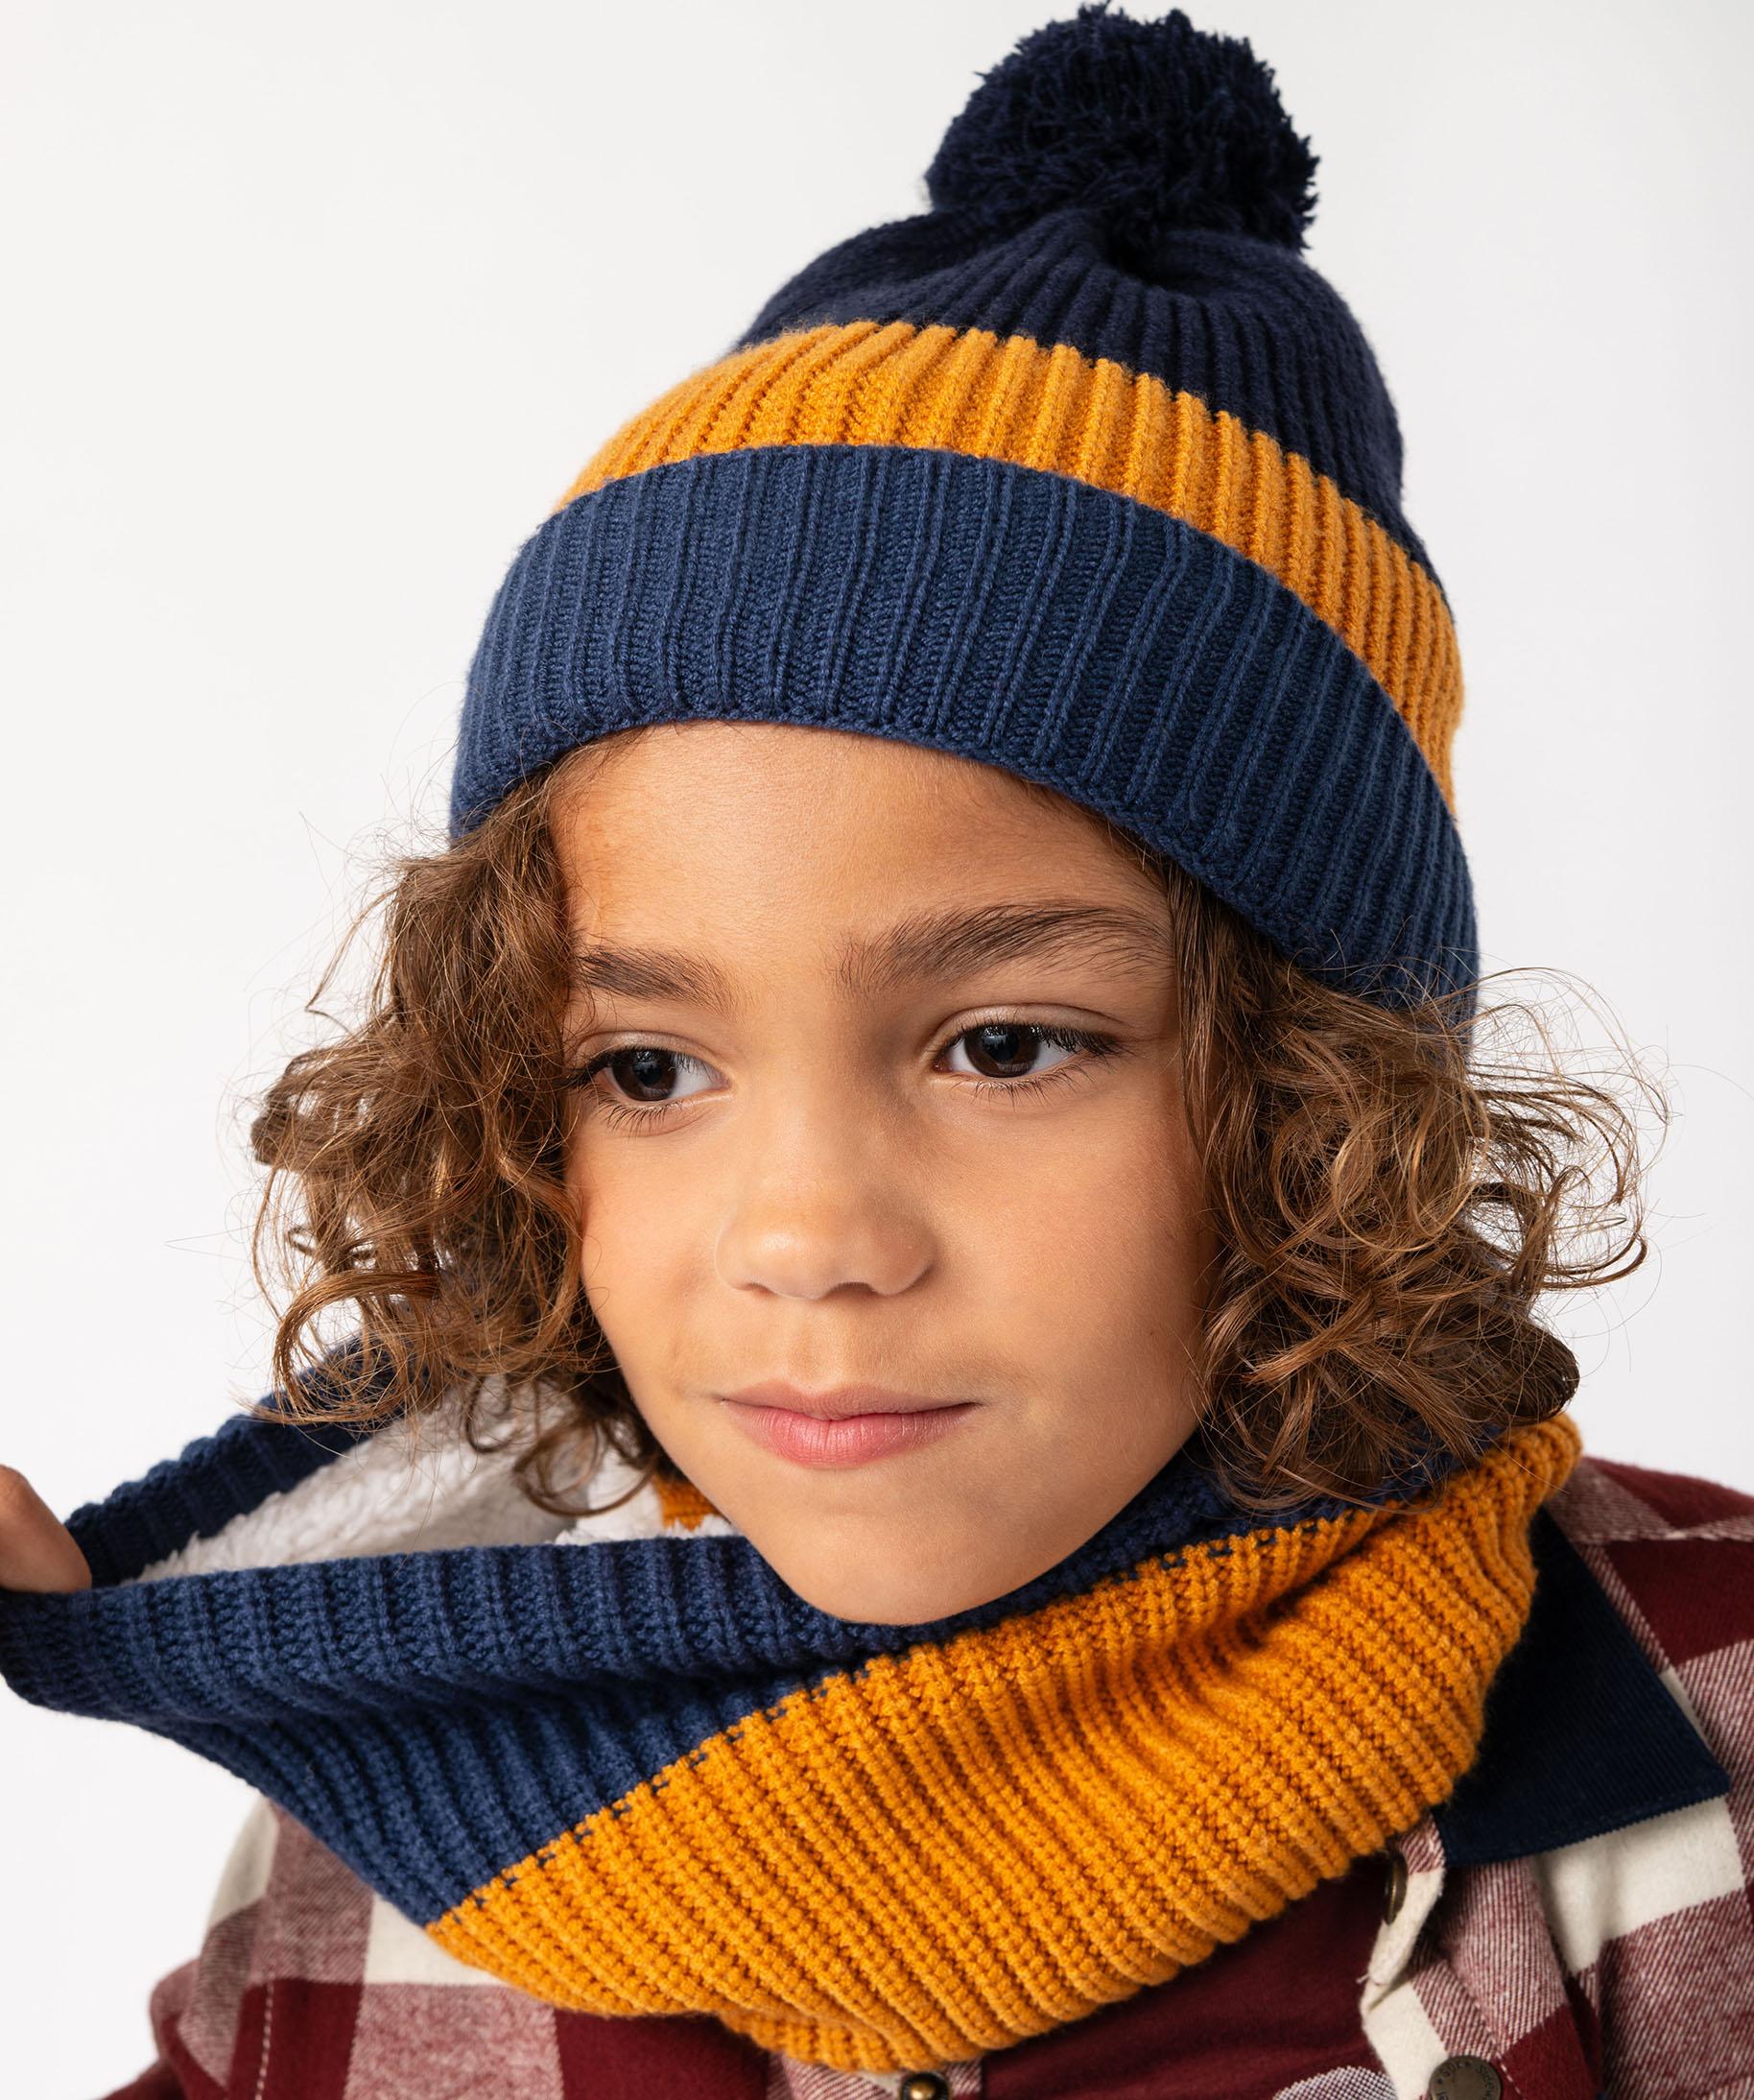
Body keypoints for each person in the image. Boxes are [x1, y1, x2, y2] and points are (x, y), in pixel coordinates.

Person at [4, 7, 1751, 2096]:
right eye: (647, 1069)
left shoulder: (1702, 1742)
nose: (807, 1238)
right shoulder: (371, 1857)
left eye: (1002, 1044)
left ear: (1322, 1104)